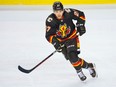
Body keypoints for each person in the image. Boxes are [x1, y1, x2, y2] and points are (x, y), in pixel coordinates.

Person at [45, 1, 97, 81]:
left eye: (60, 11)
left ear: (63, 10)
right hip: (61, 42)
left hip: (72, 38)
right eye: (56, 11)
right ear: (53, 11)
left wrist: (80, 25)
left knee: (72, 56)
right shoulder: (50, 20)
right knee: (72, 58)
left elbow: (81, 15)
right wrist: (55, 43)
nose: (58, 13)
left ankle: (79, 72)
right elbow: (49, 35)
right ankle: (89, 66)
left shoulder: (68, 12)